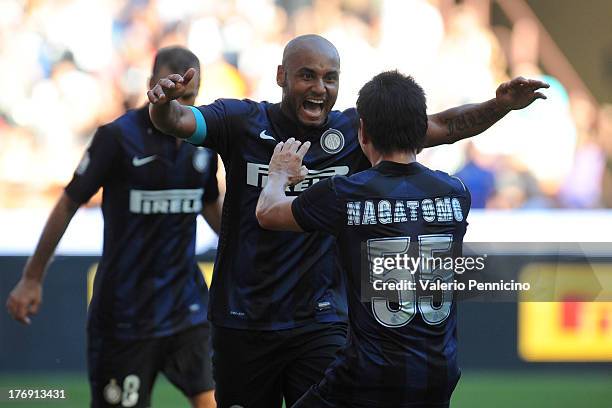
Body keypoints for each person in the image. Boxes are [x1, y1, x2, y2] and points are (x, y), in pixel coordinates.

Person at [147, 34, 547, 407]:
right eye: (307, 75)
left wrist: (500, 106)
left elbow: (445, 127)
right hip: (242, 318)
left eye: (330, 77)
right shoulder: (240, 121)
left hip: (321, 320)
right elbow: (179, 122)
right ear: (281, 76)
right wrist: (163, 105)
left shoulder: (354, 130)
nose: (320, 87)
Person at [6, 46, 220, 408]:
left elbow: (212, 206)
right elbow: (69, 203)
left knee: (216, 400)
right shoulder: (118, 138)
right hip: (125, 316)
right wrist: (32, 276)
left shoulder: (202, 143)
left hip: (186, 307)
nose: (182, 106)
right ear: (153, 85)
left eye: (191, 98)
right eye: (175, 95)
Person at [256, 70, 470, 407]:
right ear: (420, 129)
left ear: (363, 131)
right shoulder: (456, 193)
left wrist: (279, 174)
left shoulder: (346, 193)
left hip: (370, 374)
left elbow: (268, 212)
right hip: (438, 371)